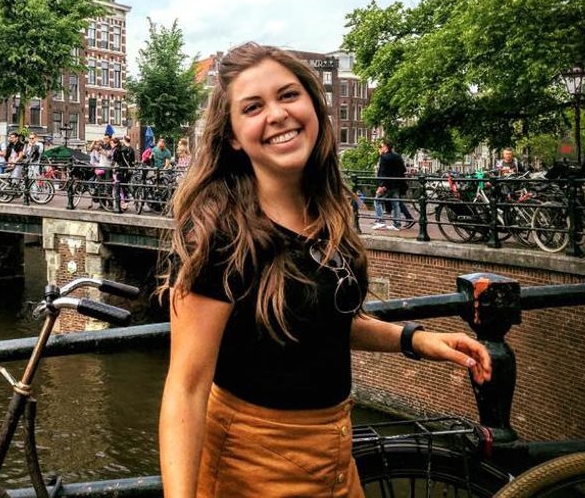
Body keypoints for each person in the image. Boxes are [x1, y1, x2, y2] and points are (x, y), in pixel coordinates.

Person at [157, 42, 491, 498]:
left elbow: (318, 322)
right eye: (253, 107)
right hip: (252, 467)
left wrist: (415, 340)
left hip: (335, 456)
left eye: (288, 95)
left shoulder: (328, 210)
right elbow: (187, 387)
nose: (277, 114)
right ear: (233, 135)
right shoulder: (220, 233)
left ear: (313, 106)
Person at [372, 139, 407, 231]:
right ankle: (397, 224)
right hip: (396, 184)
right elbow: (403, 170)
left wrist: (382, 185)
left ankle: (380, 221)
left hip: (386, 185)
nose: (380, 148)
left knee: (377, 201)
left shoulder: (384, 157)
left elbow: (383, 172)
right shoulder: (397, 156)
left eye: (381, 146)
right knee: (396, 204)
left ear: (386, 147)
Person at [112, 135, 137, 210]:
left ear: (124, 140)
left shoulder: (121, 149)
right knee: (126, 185)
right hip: (129, 169)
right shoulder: (131, 149)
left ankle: (123, 203)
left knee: (121, 186)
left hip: (122, 169)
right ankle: (130, 201)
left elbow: (116, 160)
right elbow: (133, 160)